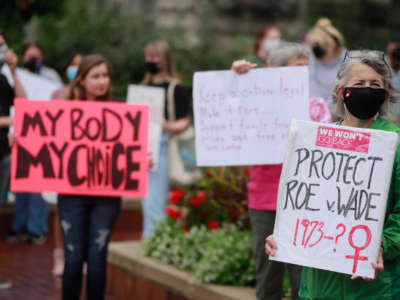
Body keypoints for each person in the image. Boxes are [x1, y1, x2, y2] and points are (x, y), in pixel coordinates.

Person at [266, 50, 400, 299]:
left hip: (372, 288)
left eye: (375, 85)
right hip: (318, 286)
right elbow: (302, 203)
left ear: (384, 94)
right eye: (359, 84)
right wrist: (283, 236)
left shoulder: (395, 142)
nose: (368, 90)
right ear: (342, 91)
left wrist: (382, 245)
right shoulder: (316, 140)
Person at [232, 42, 331, 300]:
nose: (303, 75)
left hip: (305, 201)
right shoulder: (256, 103)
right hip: (265, 200)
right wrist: (238, 78)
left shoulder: (317, 107)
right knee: (268, 274)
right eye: (297, 68)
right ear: (275, 71)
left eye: (305, 68)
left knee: (304, 275)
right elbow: (230, 108)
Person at [57, 54, 121, 300]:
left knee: (96, 262)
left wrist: (140, 160)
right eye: (96, 76)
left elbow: (128, 152)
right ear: (82, 80)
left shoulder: (120, 114)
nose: (101, 81)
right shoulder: (64, 113)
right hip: (72, 197)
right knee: (72, 261)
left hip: (106, 198)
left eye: (105, 76)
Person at [141, 40, 191, 238]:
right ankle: (151, 238)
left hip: (163, 145)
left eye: (154, 57)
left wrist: (167, 126)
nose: (150, 61)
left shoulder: (175, 88)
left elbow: (184, 121)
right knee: (146, 199)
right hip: (143, 146)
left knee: (154, 200)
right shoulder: (143, 86)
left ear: (164, 59)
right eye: (148, 57)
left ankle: (153, 240)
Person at [51, 51, 84, 276]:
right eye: (73, 65)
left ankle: (80, 256)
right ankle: (60, 254)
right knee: (61, 210)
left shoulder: (93, 96)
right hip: (63, 160)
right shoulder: (59, 94)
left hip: (86, 163)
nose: (76, 69)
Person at [0, 29, 26, 290]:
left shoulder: (4, 79)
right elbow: (16, 116)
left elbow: (24, 104)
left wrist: (14, 72)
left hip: (3, 154)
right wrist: (9, 121)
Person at [304, 18, 346, 119]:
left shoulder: (347, 62)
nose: (314, 48)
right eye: (312, 45)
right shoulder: (309, 59)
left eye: (317, 44)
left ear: (332, 43)